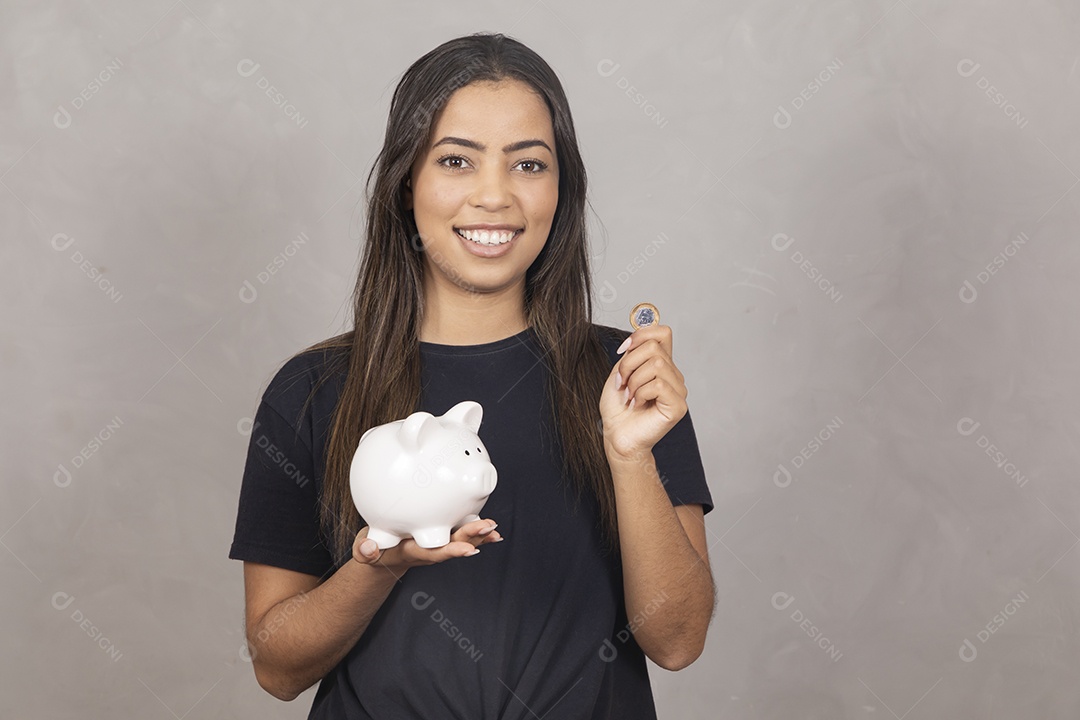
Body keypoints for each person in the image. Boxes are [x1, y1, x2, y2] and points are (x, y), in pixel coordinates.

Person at [229, 31, 716, 719]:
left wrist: (630, 456)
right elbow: (278, 669)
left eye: (529, 165)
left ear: (561, 188)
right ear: (406, 184)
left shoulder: (629, 381)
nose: (495, 197)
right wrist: (380, 563)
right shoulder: (310, 391)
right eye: (457, 160)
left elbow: (678, 639)